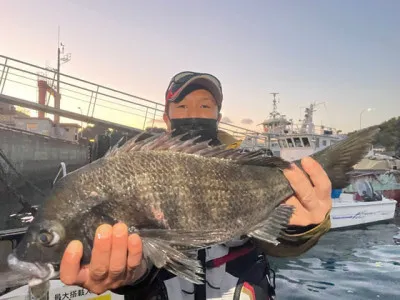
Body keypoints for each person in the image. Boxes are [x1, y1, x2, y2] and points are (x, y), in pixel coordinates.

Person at [60, 71, 332, 299]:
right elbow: (145, 251)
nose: (193, 113)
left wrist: (303, 229)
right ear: (166, 119)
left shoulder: (252, 168)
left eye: (204, 106)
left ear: (217, 117)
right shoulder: (141, 170)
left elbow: (279, 243)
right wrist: (129, 274)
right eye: (181, 106)